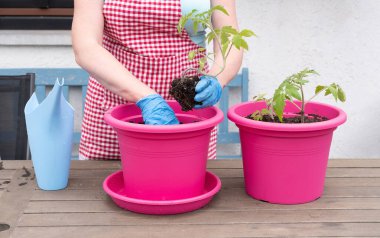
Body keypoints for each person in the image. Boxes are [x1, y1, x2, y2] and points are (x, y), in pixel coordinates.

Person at [72, 0, 243, 160]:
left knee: (185, 180)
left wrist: (217, 79)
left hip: (187, 109)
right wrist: (146, 98)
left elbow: (230, 39)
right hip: (115, 109)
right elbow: (86, 47)